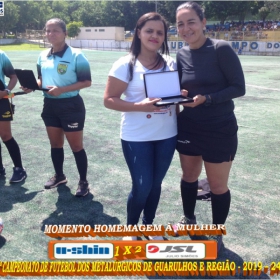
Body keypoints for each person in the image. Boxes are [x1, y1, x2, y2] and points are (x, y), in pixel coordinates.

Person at [173, 2, 245, 252]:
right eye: (180, 24)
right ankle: (189, 218)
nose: (185, 28)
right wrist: (179, 94)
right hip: (189, 127)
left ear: (203, 22)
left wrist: (209, 99)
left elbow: (239, 87)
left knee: (217, 186)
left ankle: (216, 232)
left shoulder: (220, 48)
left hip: (219, 128)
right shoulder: (181, 53)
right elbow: (179, 88)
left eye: (191, 21)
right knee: (189, 177)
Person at [104, 12, 177, 241]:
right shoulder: (125, 64)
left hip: (167, 133)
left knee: (156, 185)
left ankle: (148, 227)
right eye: (149, 31)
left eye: (159, 32)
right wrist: (140, 106)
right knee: (142, 185)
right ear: (138, 32)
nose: (154, 36)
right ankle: (131, 230)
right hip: (137, 136)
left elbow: (172, 96)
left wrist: (180, 96)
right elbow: (109, 100)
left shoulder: (170, 62)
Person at [22, 18, 91, 197]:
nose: (50, 34)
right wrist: (32, 85)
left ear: (65, 33)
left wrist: (62, 90)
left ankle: (83, 182)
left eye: (55, 31)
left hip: (71, 106)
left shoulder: (77, 55)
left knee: (76, 147)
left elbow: (87, 81)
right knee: (55, 144)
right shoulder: (42, 56)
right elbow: (41, 80)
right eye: (48, 31)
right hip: (50, 105)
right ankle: (60, 176)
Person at [0, 50, 27, 183]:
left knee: (5, 136)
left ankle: (19, 169)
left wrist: (6, 91)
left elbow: (13, 76)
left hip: (1, 100)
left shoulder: (1, 55)